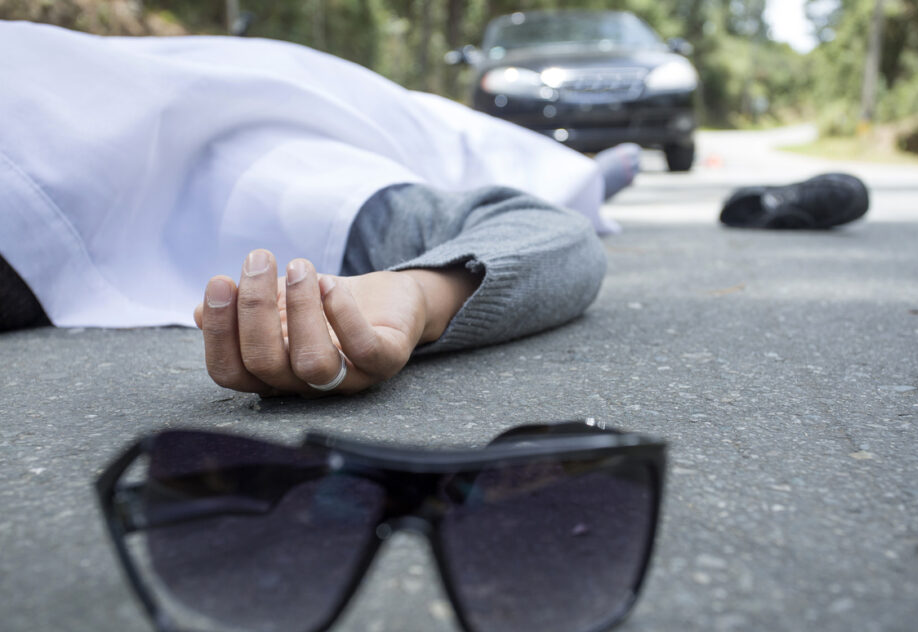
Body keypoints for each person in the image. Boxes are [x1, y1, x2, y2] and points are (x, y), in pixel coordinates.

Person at [0, 20, 630, 396]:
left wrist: (419, 292)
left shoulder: (279, 178)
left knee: (551, 174)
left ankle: (595, 173)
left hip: (394, 123)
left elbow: (554, 237)